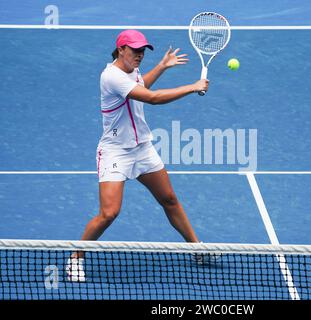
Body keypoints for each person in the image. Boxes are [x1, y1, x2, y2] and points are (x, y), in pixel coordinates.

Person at [66, 29, 209, 281]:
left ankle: (196, 249)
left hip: (142, 148)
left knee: (169, 199)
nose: (140, 55)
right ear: (121, 49)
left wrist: (162, 66)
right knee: (109, 213)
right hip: (115, 152)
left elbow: (141, 86)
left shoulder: (130, 70)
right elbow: (151, 98)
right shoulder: (111, 76)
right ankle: (76, 257)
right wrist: (192, 87)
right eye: (135, 50)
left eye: (143, 51)